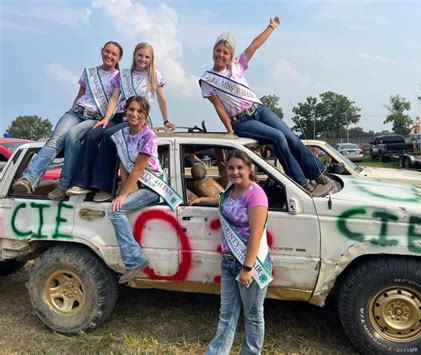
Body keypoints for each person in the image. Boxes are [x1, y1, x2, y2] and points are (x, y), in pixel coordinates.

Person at [199, 17, 332, 196]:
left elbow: (255, 44)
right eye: (218, 51)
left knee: (290, 137)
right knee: (278, 137)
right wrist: (230, 130)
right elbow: (219, 107)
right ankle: (301, 182)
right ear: (213, 51)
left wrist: (271, 27)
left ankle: (317, 173)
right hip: (242, 121)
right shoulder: (207, 79)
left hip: (259, 110)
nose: (221, 55)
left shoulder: (237, 66)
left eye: (225, 52)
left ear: (230, 56)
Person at [12, 41, 124, 199]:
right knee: (55, 141)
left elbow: (114, 99)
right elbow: (80, 95)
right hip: (76, 112)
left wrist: (107, 118)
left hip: (96, 118)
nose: (109, 56)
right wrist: (72, 111)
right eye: (107, 51)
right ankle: (27, 179)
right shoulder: (89, 72)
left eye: (114, 54)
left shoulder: (119, 77)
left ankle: (64, 186)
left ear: (119, 59)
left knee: (72, 135)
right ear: (102, 52)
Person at [66, 42, 175, 202]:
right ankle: (82, 183)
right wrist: (106, 118)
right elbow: (114, 98)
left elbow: (161, 98)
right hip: (119, 115)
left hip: (137, 120)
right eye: (140, 55)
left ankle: (103, 187)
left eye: (146, 57)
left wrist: (166, 120)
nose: (143, 59)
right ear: (134, 56)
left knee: (109, 136)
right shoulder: (123, 74)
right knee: (92, 135)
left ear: (151, 59)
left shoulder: (154, 74)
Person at [191, 150, 272, 355]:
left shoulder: (256, 195)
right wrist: (202, 201)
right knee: (226, 314)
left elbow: (255, 234)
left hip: (249, 264)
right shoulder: (230, 189)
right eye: (231, 168)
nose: (235, 172)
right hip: (228, 262)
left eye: (240, 168)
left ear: (249, 169)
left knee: (253, 314)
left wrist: (246, 268)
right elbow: (223, 203)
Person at [107, 96, 182, 285]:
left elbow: (139, 169)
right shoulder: (123, 134)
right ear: (125, 112)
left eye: (139, 111)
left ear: (145, 115)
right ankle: (134, 259)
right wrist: (124, 191)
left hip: (153, 187)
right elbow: (125, 166)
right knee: (117, 206)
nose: (134, 114)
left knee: (115, 211)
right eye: (131, 109)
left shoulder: (148, 136)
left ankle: (134, 260)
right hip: (137, 186)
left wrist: (124, 196)